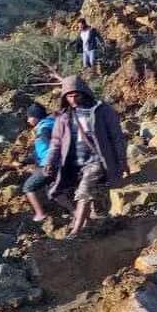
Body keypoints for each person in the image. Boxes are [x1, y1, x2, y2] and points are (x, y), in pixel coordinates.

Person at [42, 76, 127, 237]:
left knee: (84, 192)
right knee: (86, 197)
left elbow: (116, 137)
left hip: (96, 160)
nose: (73, 99)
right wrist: (50, 161)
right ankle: (95, 224)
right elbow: (56, 142)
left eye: (76, 95)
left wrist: (122, 160)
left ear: (84, 93)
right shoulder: (63, 117)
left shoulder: (102, 111)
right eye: (69, 96)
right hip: (73, 163)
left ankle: (76, 230)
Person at [22, 103, 62, 222]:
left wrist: (50, 162)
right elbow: (42, 150)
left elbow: (51, 146)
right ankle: (74, 212)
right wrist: (26, 160)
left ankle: (40, 214)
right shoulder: (50, 124)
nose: (28, 120)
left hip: (49, 165)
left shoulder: (44, 128)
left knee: (28, 187)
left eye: (29, 117)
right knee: (54, 191)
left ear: (36, 116)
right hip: (57, 163)